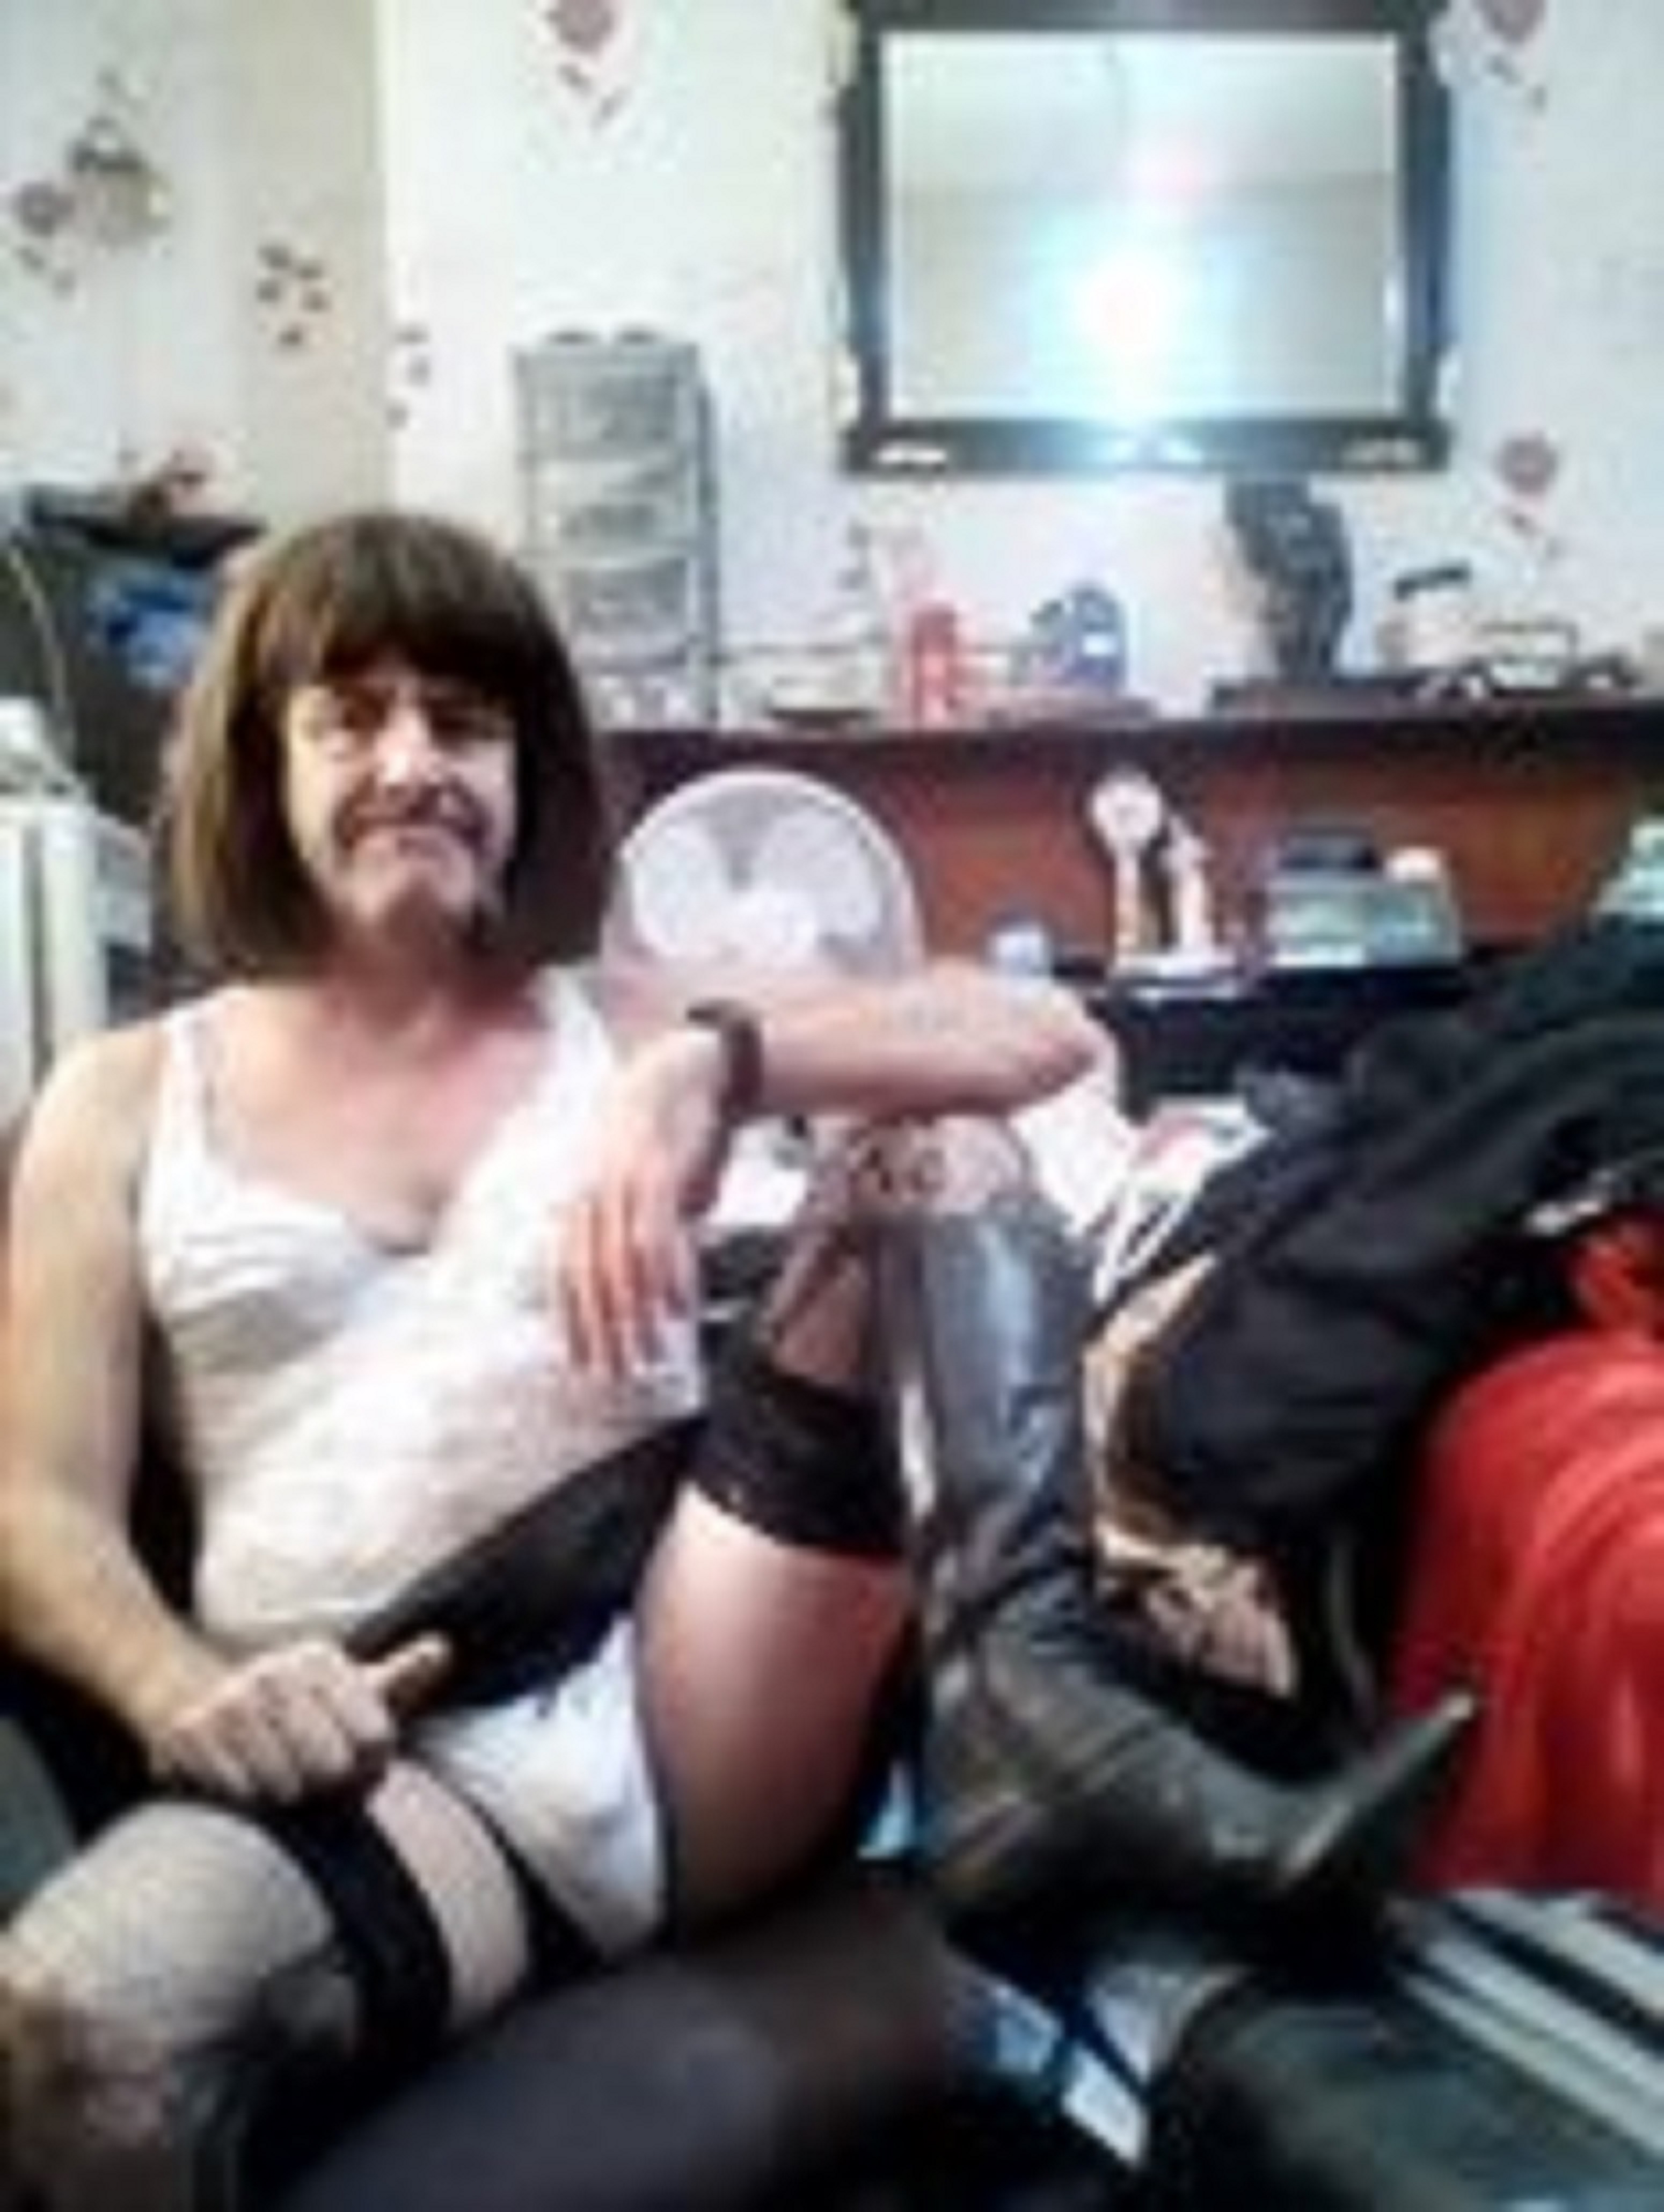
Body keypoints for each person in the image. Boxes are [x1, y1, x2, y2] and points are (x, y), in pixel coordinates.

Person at [0, 506, 1103, 2210]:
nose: (411, 763)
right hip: (384, 1746)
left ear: (525, 776)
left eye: (463, 722)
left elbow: (1036, 1034)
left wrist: (708, 1069)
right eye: (349, 718)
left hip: (692, 1685)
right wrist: (176, 1692)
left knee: (933, 1151)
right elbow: (35, 1506)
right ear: (262, 766)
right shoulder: (122, 1094)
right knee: (76, 2030)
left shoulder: (634, 1011)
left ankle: (1049, 1736)